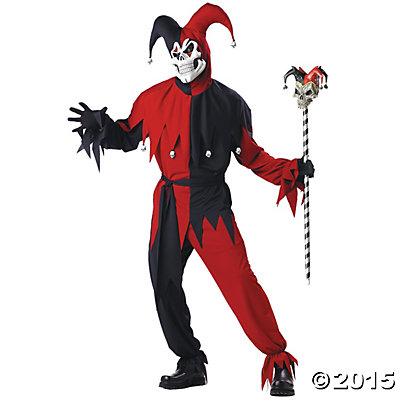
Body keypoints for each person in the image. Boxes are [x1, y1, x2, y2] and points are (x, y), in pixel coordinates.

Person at [68, 3, 314, 396]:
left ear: (205, 51)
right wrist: (102, 127)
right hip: (169, 204)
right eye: (176, 52)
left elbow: (251, 156)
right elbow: (128, 135)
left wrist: (289, 170)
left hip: (209, 204)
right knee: (163, 282)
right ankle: (191, 362)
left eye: (189, 50)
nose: (182, 59)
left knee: (239, 280)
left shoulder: (230, 104)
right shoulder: (153, 98)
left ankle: (278, 361)